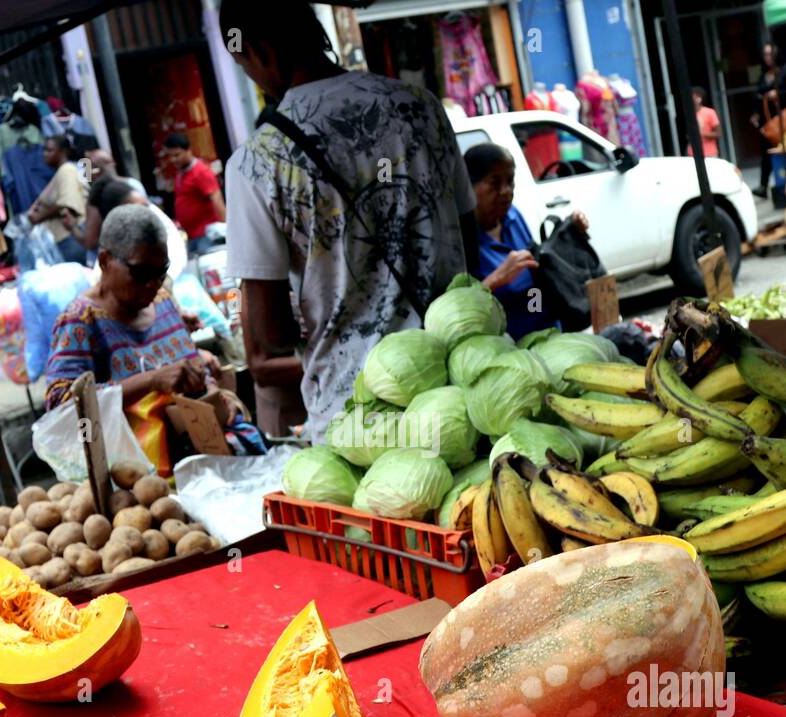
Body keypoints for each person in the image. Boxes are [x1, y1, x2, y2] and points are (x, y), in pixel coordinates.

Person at [219, 0, 477, 441]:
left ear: (260, 51)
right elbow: (469, 244)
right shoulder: (420, 106)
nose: (253, 77)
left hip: (357, 418)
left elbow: (273, 333)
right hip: (457, 385)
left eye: (244, 64)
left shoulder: (256, 162)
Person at [44, 206, 262, 466]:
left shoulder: (163, 301)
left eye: (161, 273)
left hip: (200, 454)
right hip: (137, 477)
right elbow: (61, 411)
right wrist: (150, 381)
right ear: (104, 261)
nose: (152, 284)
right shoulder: (79, 321)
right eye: (141, 273)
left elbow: (192, 369)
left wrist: (216, 398)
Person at [464, 143, 588, 340]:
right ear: (468, 187)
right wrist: (495, 280)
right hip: (507, 347)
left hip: (547, 333)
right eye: (495, 183)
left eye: (510, 181)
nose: (506, 191)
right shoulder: (461, 240)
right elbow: (460, 311)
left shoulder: (512, 216)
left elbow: (534, 280)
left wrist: (570, 232)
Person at [750, 42, 786, 196]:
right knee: (767, 151)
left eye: (770, 54)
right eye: (765, 55)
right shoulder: (763, 76)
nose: (767, 58)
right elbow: (758, 97)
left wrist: (779, 94)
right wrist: (756, 113)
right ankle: (763, 185)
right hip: (770, 122)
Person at [28, 134, 89, 264]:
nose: (45, 154)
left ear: (63, 152)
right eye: (44, 150)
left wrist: (39, 217)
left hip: (69, 239)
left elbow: (66, 204)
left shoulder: (67, 171)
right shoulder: (60, 172)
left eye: (50, 150)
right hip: (62, 240)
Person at [164, 133, 225, 255]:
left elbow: (216, 198)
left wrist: (225, 228)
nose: (173, 159)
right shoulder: (180, 173)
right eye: (170, 156)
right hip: (192, 236)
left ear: (188, 151)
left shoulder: (200, 171)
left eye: (177, 155)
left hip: (207, 234)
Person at [690, 87, 721, 158]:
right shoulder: (689, 114)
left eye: (693, 96)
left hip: (709, 153)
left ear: (699, 98)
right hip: (693, 153)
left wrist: (701, 134)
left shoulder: (709, 112)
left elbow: (718, 133)